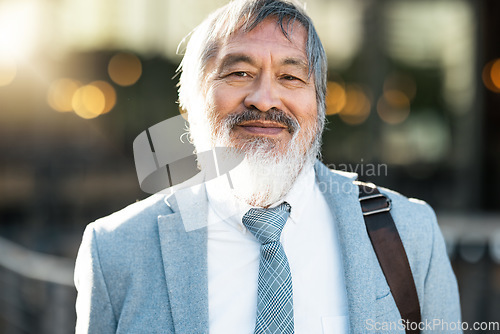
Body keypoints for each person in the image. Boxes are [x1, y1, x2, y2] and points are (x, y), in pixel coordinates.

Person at [74, 0, 461, 333]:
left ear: (319, 107)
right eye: (239, 73)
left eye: (290, 77)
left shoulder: (410, 232)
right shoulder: (114, 249)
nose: (263, 99)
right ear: (188, 106)